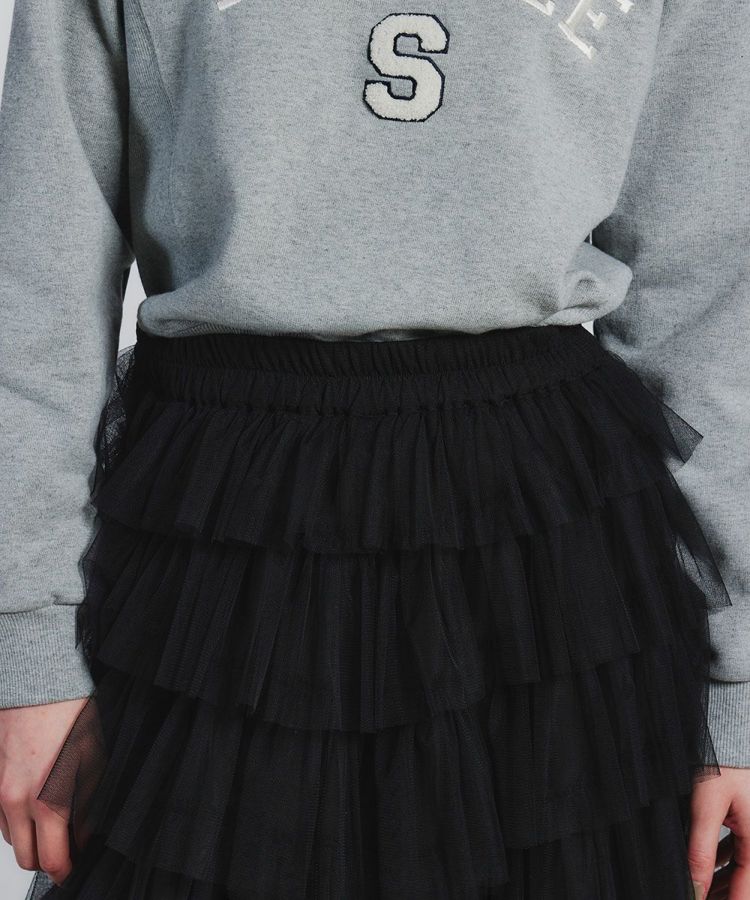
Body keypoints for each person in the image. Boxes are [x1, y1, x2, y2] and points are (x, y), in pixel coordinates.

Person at [0, 0, 748, 897]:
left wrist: (736, 686)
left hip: (544, 528)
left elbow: (703, 292)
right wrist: (28, 646)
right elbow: (36, 279)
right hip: (215, 521)